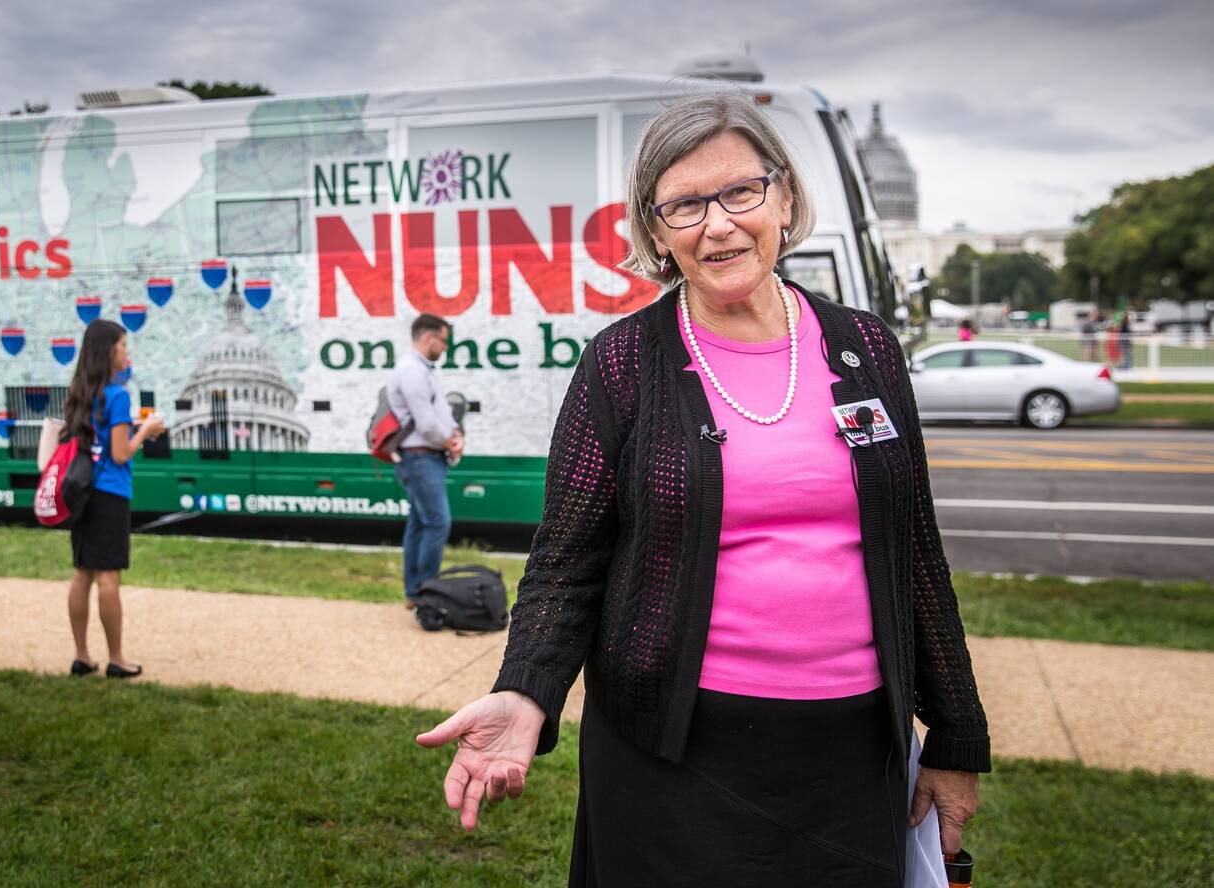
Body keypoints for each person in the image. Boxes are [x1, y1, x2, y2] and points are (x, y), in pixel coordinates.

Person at [418, 90, 990, 886]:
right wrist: (525, 693)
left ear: (783, 197)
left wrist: (957, 738)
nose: (717, 223)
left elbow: (916, 551)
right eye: (684, 205)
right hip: (673, 759)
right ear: (655, 231)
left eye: (739, 192)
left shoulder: (866, 348)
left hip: (854, 755)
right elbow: (567, 560)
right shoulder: (621, 365)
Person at [61, 318, 165, 679]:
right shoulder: (118, 396)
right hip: (110, 493)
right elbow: (121, 454)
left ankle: (81, 656)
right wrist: (147, 431)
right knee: (108, 579)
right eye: (123, 345)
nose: (127, 352)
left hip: (81, 491)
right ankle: (117, 659)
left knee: (82, 575)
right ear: (109, 351)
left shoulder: (79, 390)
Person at [386, 313, 465, 609]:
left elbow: (439, 415)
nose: (445, 347)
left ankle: (416, 591)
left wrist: (455, 436)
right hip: (420, 458)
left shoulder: (421, 370)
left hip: (424, 457)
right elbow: (427, 423)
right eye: (443, 340)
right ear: (428, 337)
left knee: (420, 524)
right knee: (437, 523)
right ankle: (427, 594)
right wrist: (449, 442)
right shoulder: (412, 371)